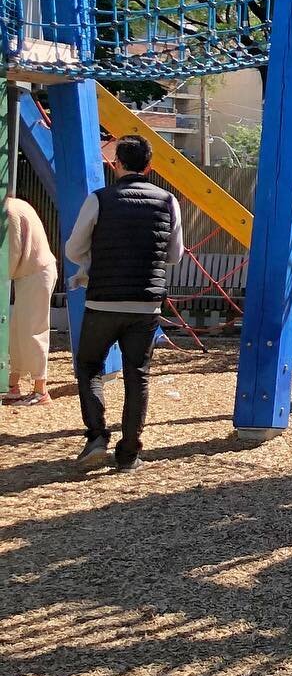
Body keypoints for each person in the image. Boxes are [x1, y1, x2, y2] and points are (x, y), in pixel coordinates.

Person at [65, 133, 184, 471]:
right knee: (138, 374)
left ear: (115, 164)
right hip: (145, 304)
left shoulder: (99, 199)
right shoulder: (167, 201)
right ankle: (129, 453)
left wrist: (95, 257)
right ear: (149, 166)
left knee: (89, 366)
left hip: (103, 300)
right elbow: (173, 255)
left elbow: (74, 249)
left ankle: (97, 437)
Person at [3, 196, 57, 406]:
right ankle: (13, 385)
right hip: (30, 271)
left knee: (33, 330)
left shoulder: (9, 210)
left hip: (36, 271)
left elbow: (12, 251)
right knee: (17, 330)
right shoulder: (13, 205)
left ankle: (40, 389)